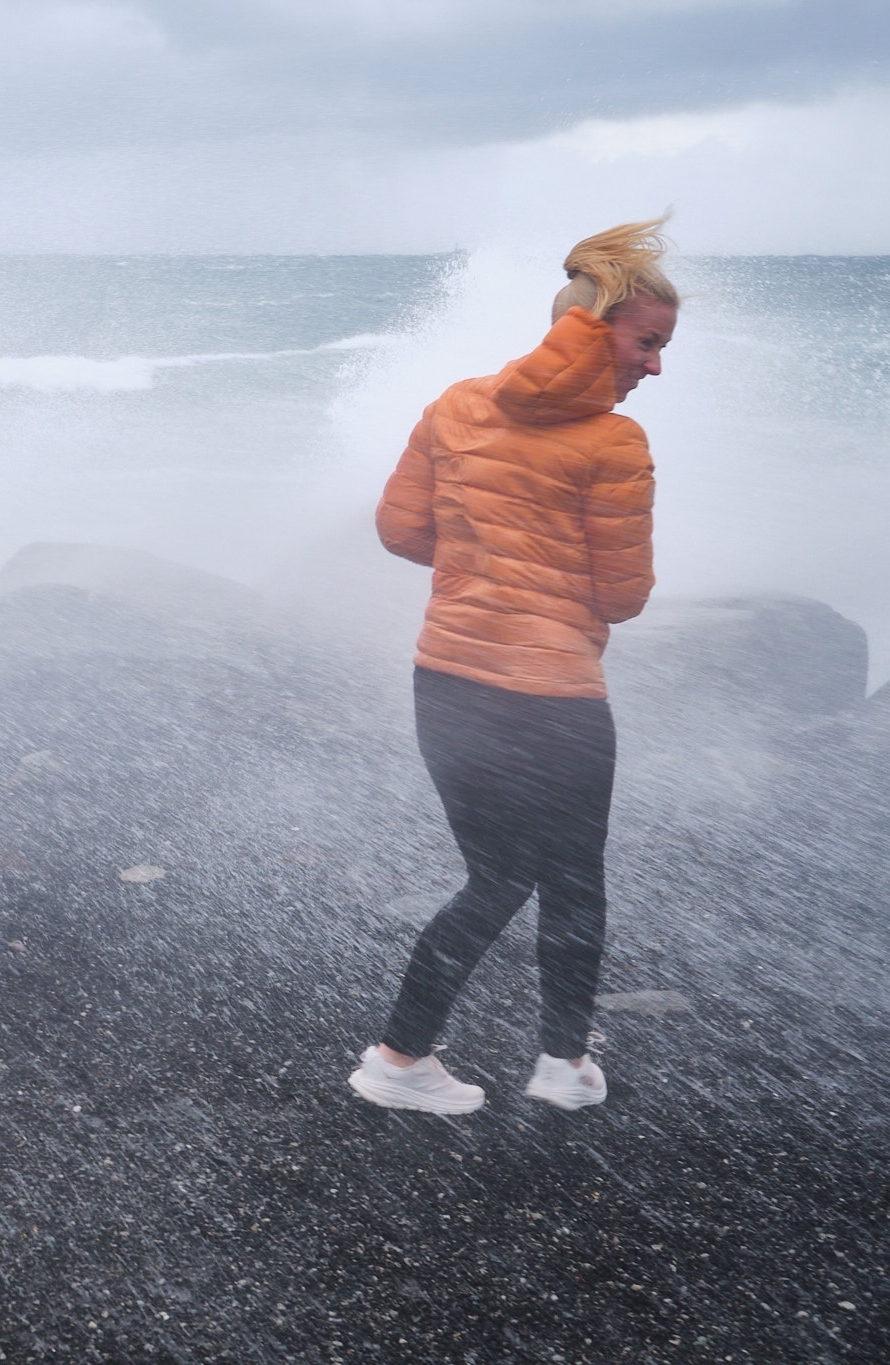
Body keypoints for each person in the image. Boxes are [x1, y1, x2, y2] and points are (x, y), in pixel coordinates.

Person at [347, 221, 677, 1114]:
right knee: (572, 878)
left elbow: (400, 530)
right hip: (553, 700)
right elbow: (622, 596)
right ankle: (539, 1065)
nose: (655, 366)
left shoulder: (455, 405)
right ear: (591, 328)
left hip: (446, 683)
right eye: (646, 341)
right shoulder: (614, 444)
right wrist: (544, 584)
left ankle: (424, 1058)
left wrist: (484, 567)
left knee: (496, 875)